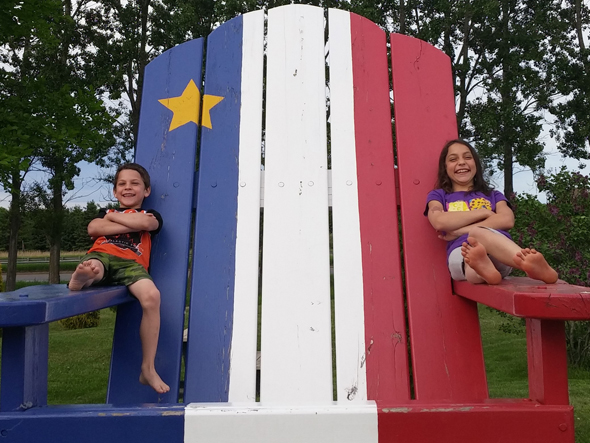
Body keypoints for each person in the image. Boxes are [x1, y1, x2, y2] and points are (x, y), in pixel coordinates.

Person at [68, 163, 169, 394]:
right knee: (93, 266)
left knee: (152, 296)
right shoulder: (104, 214)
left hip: (132, 264)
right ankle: (82, 278)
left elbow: (145, 224)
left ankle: (148, 368)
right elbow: (94, 228)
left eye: (135, 183)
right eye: (122, 184)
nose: (128, 188)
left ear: (147, 191)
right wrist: (117, 220)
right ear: (115, 192)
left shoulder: (148, 215)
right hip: (102, 255)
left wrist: (112, 218)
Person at [424, 139, 558, 285]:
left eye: (467, 157)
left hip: (501, 252)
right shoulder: (439, 195)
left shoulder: (493, 195)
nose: (461, 162)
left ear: (476, 164)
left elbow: (507, 220)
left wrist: (459, 231)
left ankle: (528, 265)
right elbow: (439, 221)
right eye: (453, 159)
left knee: (478, 234)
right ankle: (488, 271)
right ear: (445, 167)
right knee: (473, 256)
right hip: (460, 253)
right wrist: (483, 212)